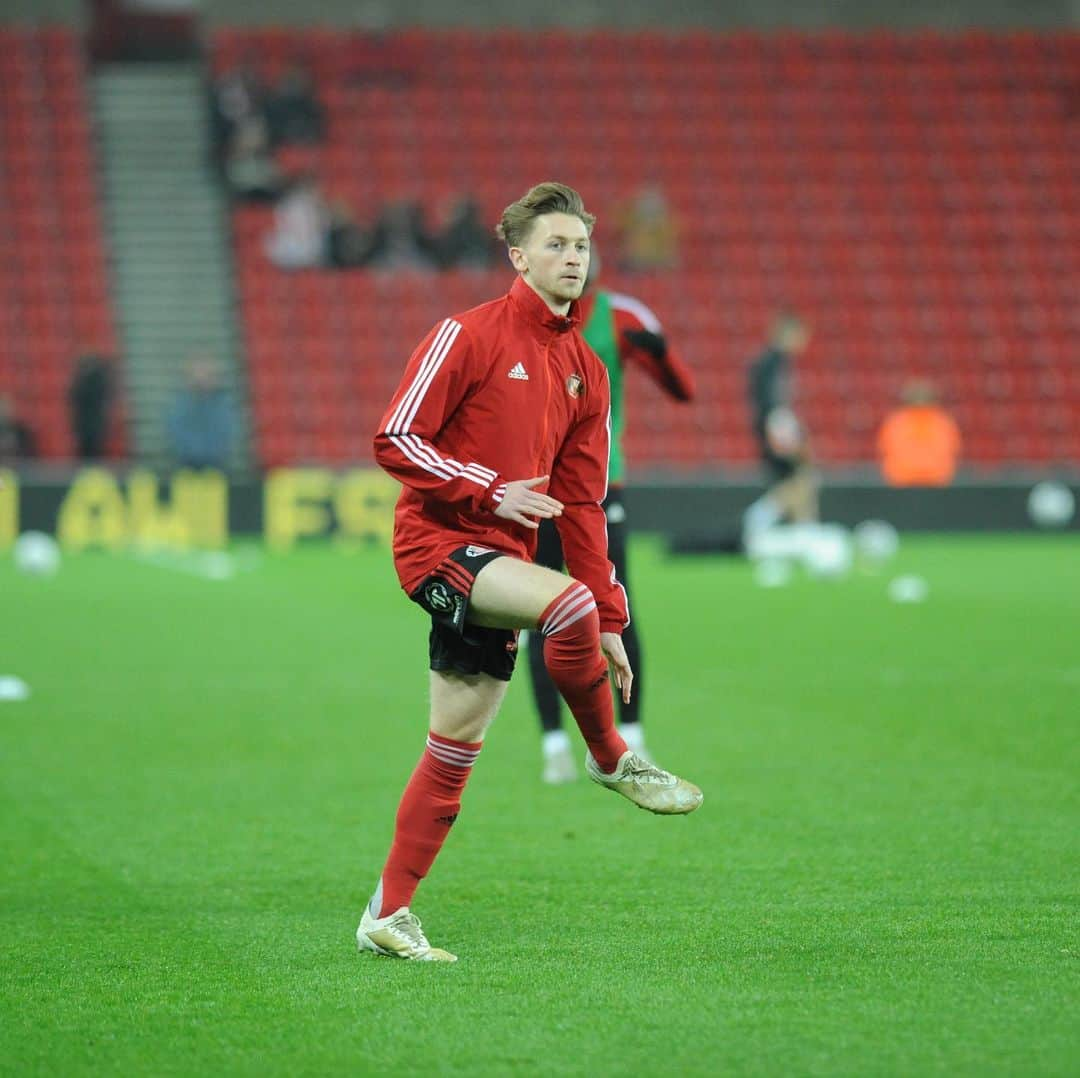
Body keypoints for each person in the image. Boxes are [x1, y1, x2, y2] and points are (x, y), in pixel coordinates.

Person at [360, 182, 702, 963]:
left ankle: (388, 911)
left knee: (453, 748)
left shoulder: (587, 368)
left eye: (581, 246)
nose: (572, 258)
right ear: (518, 256)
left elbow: (583, 507)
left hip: (500, 564)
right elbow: (394, 439)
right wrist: (486, 487)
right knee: (565, 603)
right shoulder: (466, 335)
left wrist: (613, 624)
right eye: (555, 245)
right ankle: (611, 757)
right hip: (438, 548)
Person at [527, 258, 696, 784]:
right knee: (539, 613)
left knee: (616, 608)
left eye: (580, 245)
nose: (575, 258)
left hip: (601, 485)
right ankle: (553, 743)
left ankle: (634, 734)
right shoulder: (519, 319)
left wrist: (659, 352)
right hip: (534, 489)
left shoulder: (621, 316)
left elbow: (683, 390)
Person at [742, 313, 818, 547]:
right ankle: (761, 517)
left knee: (798, 479)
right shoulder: (772, 363)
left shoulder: (771, 362)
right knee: (800, 479)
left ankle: (803, 531)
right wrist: (786, 436)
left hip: (774, 428)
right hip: (776, 430)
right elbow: (771, 405)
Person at [877, 379, 961, 486]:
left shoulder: (895, 421)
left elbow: (883, 449)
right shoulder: (943, 421)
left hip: (908, 480)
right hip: (925, 480)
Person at [166, 355, 234, 471]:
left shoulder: (223, 407)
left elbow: (224, 436)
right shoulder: (179, 407)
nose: (201, 379)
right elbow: (177, 435)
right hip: (185, 469)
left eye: (206, 374)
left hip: (216, 470)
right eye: (197, 373)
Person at [263, 174, 328, 269]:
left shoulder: (317, 207)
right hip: (289, 249)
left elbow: (323, 226)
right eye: (311, 188)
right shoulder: (288, 205)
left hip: (311, 251)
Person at [68, 354, 113, 459]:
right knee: (86, 450)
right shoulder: (85, 380)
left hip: (93, 424)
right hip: (85, 423)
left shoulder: (96, 380)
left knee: (94, 450)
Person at [0, 396, 35, 462]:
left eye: (6, 408)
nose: (3, 411)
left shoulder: (21, 431)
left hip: (19, 466)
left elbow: (28, 453)